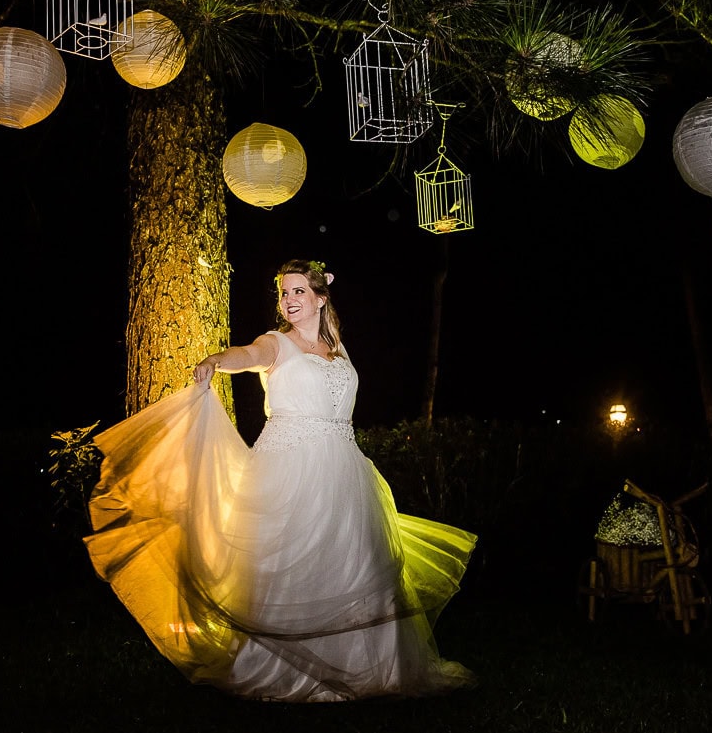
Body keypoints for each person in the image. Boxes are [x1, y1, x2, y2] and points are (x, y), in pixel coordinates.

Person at [84, 258, 477, 702]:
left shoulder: (338, 348)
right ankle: (284, 672)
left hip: (344, 469)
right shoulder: (276, 343)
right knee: (290, 566)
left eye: (297, 293)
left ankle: (367, 669)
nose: (289, 301)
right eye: (284, 294)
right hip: (289, 467)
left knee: (350, 565)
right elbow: (247, 356)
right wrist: (217, 359)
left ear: (320, 299)